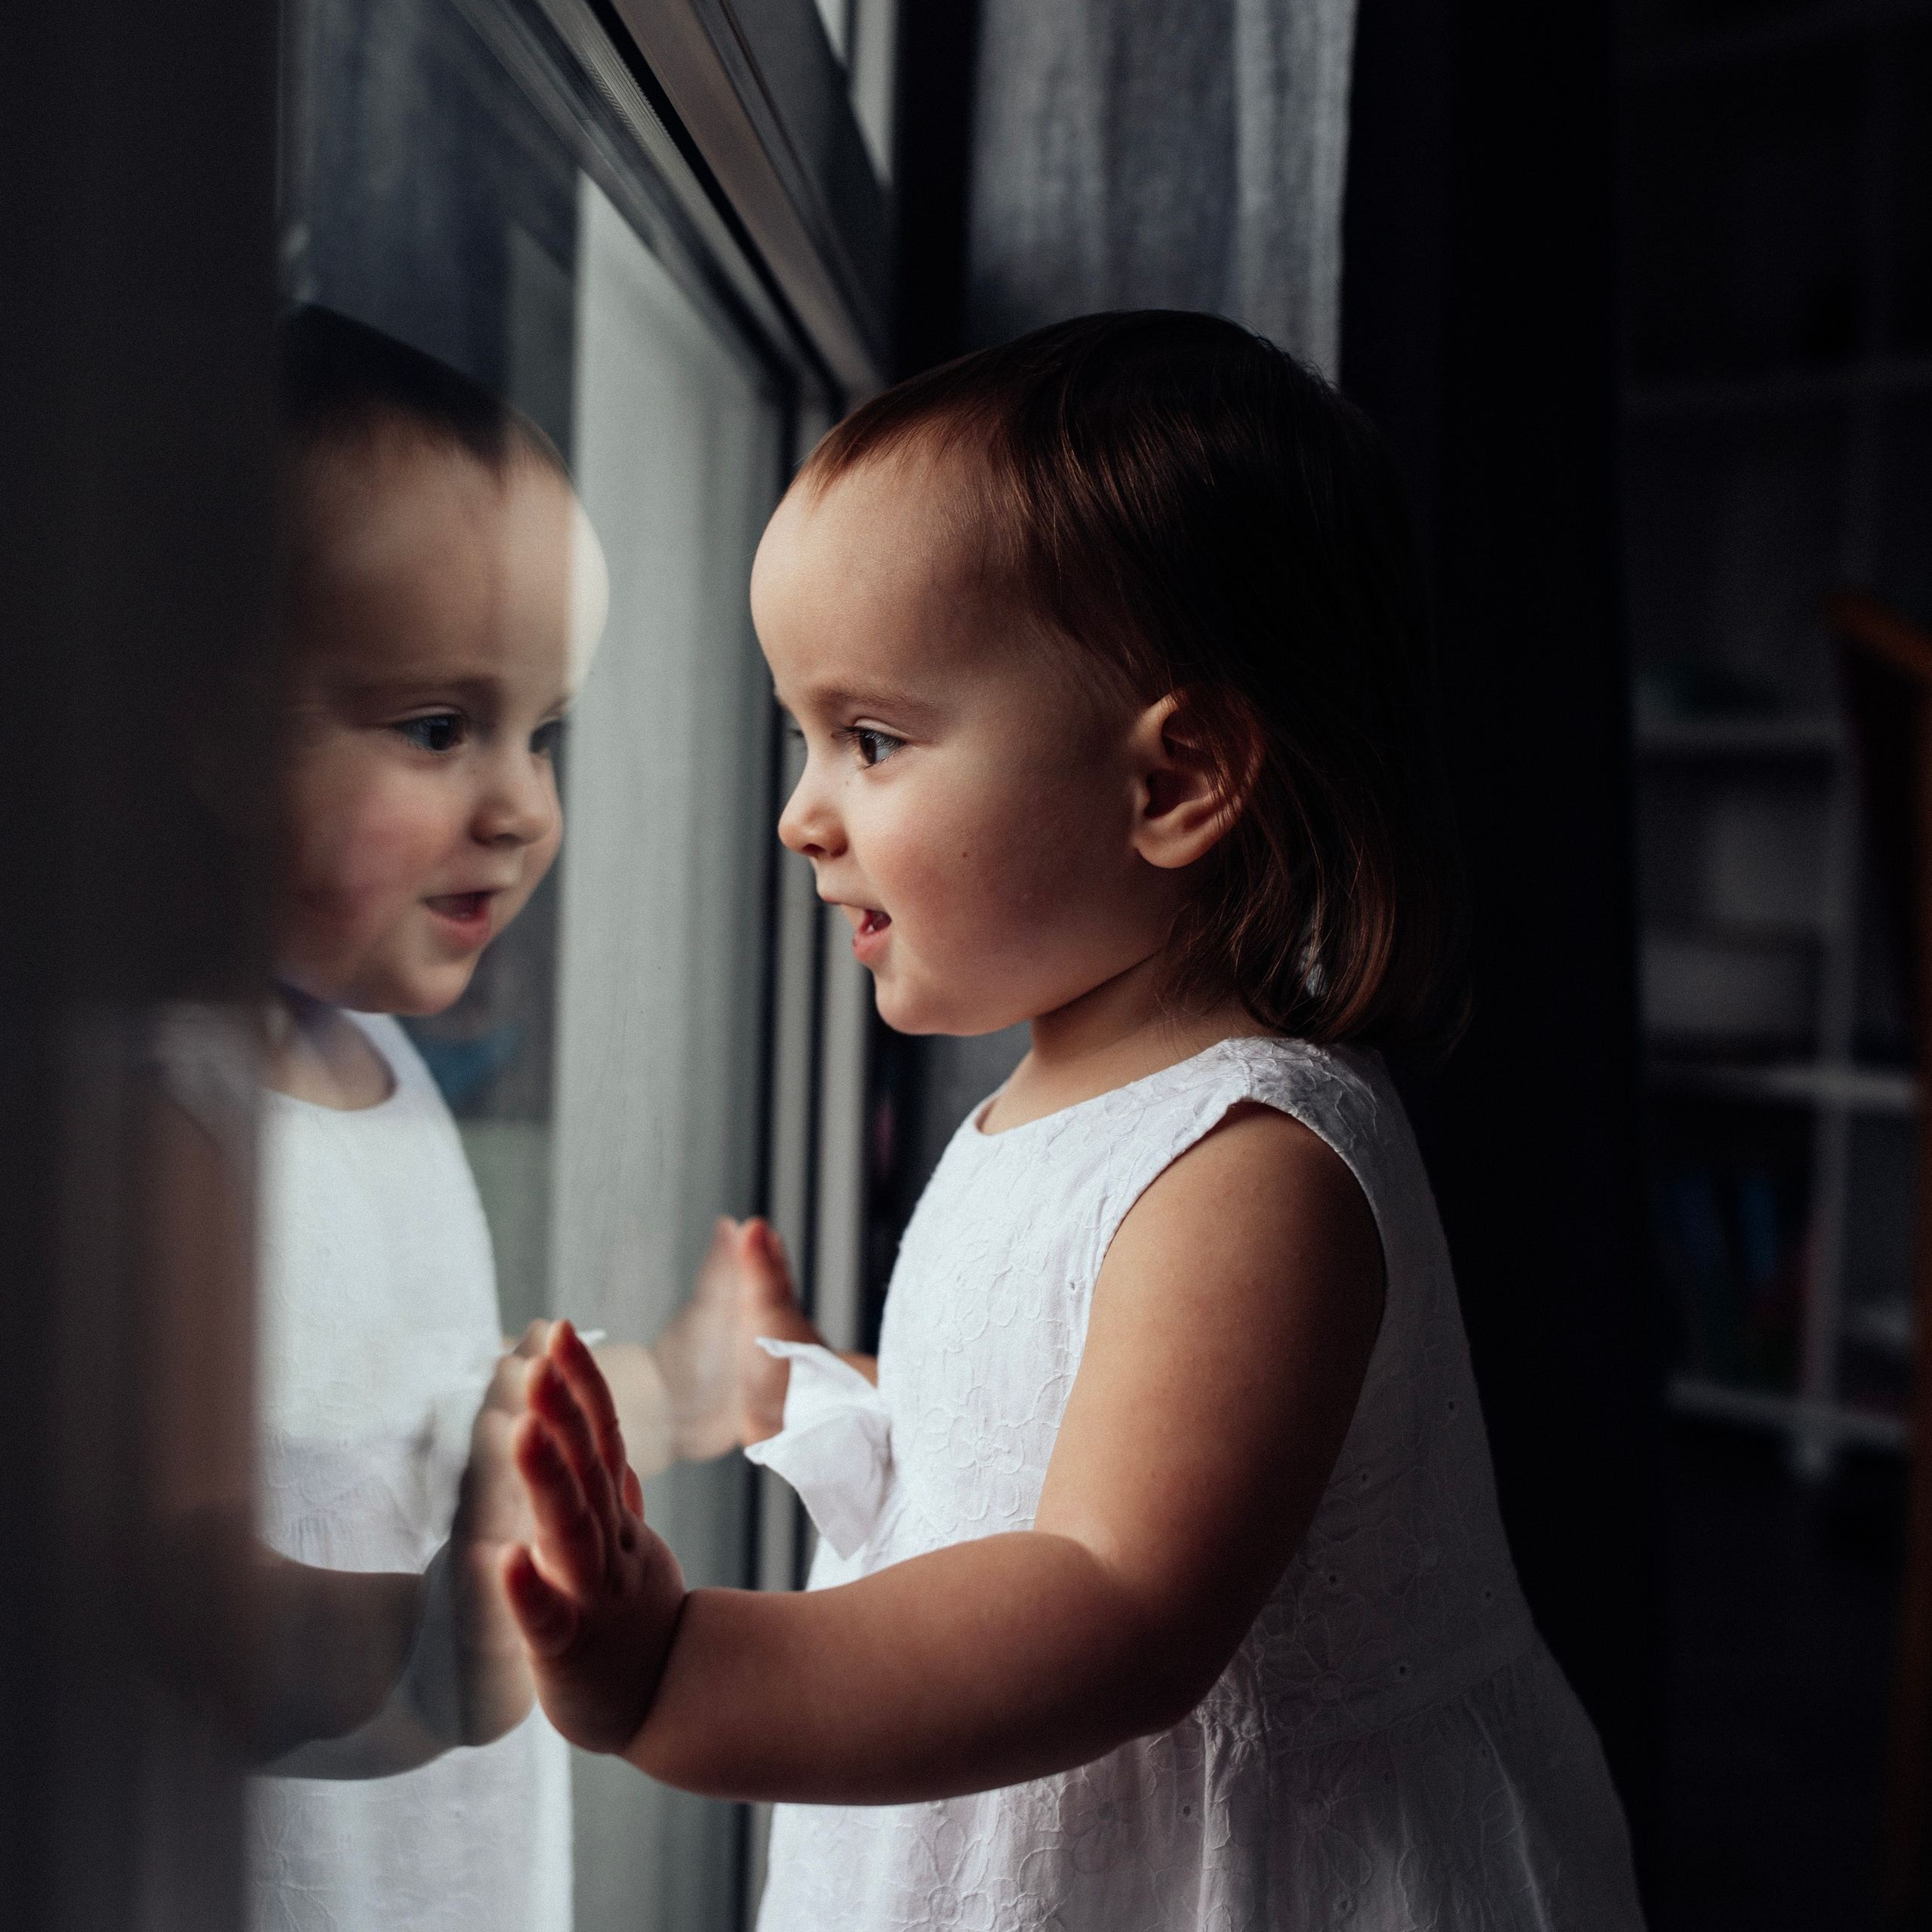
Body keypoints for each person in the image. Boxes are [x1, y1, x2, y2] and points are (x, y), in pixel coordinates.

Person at [501, 310, 1649, 1931]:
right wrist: (832, 1383)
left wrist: (685, 1669)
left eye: (873, 739)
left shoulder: (1249, 1171)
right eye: (800, 736)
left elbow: (1111, 1595)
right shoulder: (1056, 1105)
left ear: (1174, 783)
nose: (799, 812)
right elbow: (1046, 1445)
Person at [153, 306, 755, 1932]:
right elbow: (171, 1606)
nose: (522, 803)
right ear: (205, 732)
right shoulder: (166, 1124)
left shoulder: (373, 1063)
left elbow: (438, 1426)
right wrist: (420, 1653)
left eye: (540, 731)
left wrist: (680, 1389)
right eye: (437, 727)